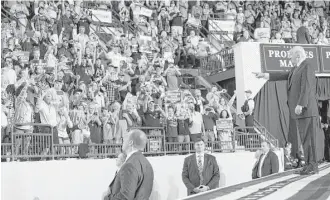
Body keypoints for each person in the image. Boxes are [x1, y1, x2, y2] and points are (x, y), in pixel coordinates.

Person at [254, 46, 319, 175]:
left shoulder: (307, 66)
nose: (290, 59)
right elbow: (284, 75)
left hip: (306, 110)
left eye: (291, 57)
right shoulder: (296, 68)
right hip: (300, 112)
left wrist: (301, 104)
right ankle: (309, 164)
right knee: (305, 140)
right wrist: (266, 75)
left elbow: (306, 86)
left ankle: (313, 166)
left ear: (298, 55)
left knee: (309, 139)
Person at [105, 129, 154, 200]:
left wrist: (107, 198)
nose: (122, 142)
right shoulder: (147, 163)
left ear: (130, 143)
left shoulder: (130, 165)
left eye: (124, 140)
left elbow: (125, 197)